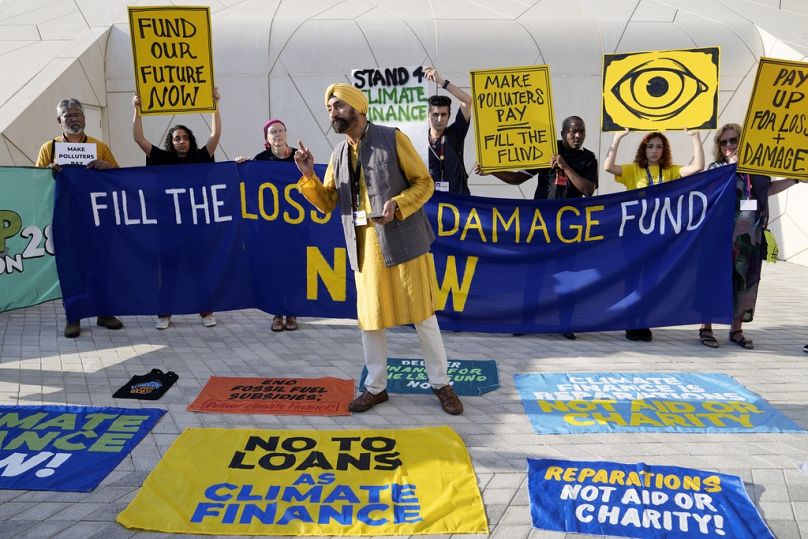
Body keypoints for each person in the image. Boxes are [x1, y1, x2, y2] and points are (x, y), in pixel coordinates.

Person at [293, 83, 463, 415]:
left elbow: (424, 183)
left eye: (339, 107)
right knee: (371, 320)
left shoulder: (392, 137)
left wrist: (398, 205)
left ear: (357, 108)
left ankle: (442, 385)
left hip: (404, 240)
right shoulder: (338, 154)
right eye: (330, 109)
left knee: (423, 317)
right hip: (364, 247)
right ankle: (376, 387)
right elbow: (328, 203)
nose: (333, 113)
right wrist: (308, 175)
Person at [480, 115, 598, 340]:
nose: (577, 135)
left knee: (566, 275)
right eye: (573, 131)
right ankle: (527, 320)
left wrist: (564, 165)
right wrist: (491, 170)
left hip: (569, 228)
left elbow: (588, 189)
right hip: (541, 224)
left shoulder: (588, 159)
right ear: (563, 134)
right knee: (535, 273)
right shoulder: (546, 151)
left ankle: (565, 323)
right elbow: (517, 179)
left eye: (581, 131)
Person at [698, 123, 796, 349]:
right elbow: (711, 191)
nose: (729, 145)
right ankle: (706, 327)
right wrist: (730, 169)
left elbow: (767, 189)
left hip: (750, 238)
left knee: (746, 282)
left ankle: (736, 329)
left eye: (733, 140)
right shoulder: (717, 167)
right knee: (716, 280)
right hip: (721, 239)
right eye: (724, 142)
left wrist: (794, 180)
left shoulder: (758, 169)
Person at [603, 128, 705, 342]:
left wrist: (696, 137)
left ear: (664, 150)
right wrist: (617, 138)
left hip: (659, 237)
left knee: (651, 279)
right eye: (650, 146)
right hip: (633, 236)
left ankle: (644, 320)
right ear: (644, 149)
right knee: (632, 279)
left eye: (659, 146)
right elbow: (608, 167)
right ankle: (631, 322)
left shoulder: (670, 171)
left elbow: (698, 167)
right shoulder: (633, 170)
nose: (654, 150)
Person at [132, 89, 221, 330]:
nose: (181, 141)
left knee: (200, 271)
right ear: (171, 143)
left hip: (196, 228)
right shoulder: (162, 159)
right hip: (168, 228)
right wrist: (137, 109)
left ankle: (206, 312)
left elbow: (215, 135)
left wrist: (214, 105)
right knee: (168, 273)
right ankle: (165, 314)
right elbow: (139, 139)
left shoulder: (201, 157)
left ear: (190, 140)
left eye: (185, 137)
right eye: (176, 138)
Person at [35, 97, 124, 338]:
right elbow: (37, 181)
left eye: (78, 114)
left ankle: (104, 312)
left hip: (97, 216)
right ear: (59, 120)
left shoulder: (99, 146)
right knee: (71, 267)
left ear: (84, 118)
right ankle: (73, 316)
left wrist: (106, 166)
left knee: (101, 265)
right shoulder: (49, 148)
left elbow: (119, 175)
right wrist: (49, 171)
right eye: (68, 115)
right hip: (65, 217)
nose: (74, 118)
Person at [252, 118, 299, 332]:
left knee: (293, 268)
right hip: (271, 225)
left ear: (286, 133)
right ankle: (277, 313)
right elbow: (249, 185)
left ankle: (292, 312)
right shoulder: (260, 160)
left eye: (281, 130)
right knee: (275, 269)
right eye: (273, 132)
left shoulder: (299, 156)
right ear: (267, 138)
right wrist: (243, 164)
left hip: (297, 224)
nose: (277, 135)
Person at [423, 66, 472, 195]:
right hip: (432, 206)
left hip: (458, 204)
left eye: (443, 115)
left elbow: (467, 101)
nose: (439, 119)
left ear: (449, 116)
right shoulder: (419, 140)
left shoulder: (455, 133)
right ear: (428, 116)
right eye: (435, 114)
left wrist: (441, 81)